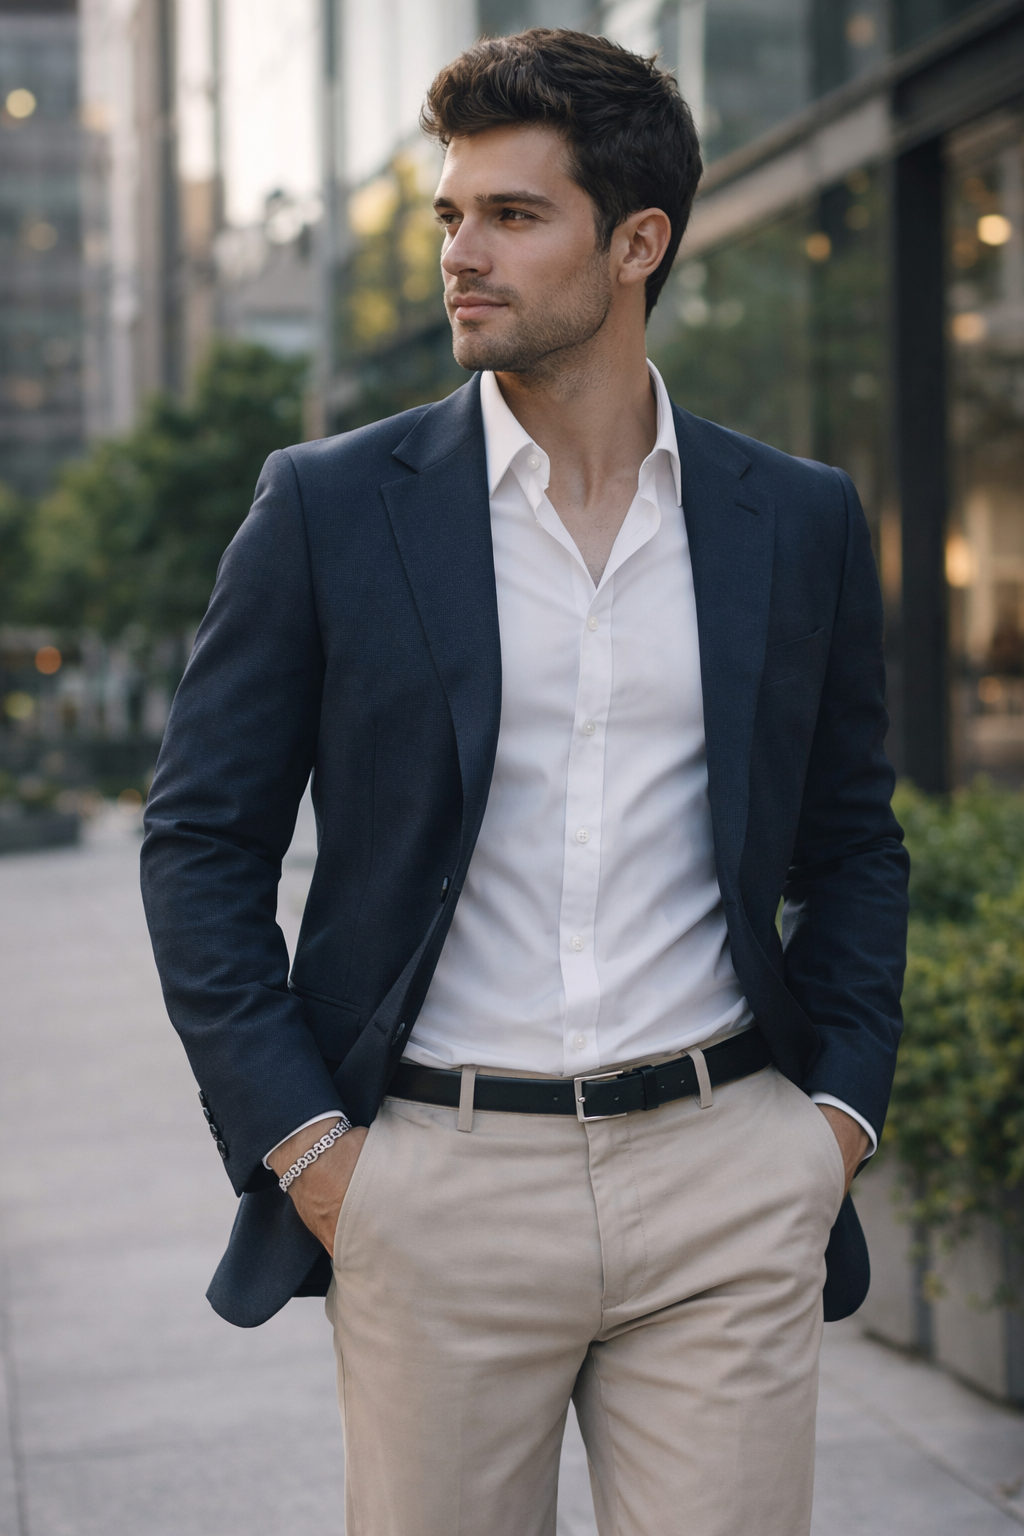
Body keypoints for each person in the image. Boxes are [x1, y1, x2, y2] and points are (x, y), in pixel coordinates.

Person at [141, 27, 908, 1536]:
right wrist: (312, 1152)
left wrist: (834, 1121)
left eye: (512, 215)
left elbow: (853, 839)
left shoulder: (797, 517)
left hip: (724, 1177)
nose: (461, 255)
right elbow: (200, 844)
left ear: (639, 243)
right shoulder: (330, 507)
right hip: (435, 1186)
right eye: (450, 216)